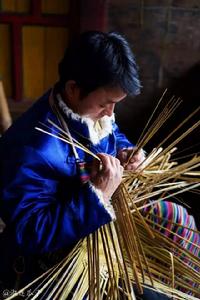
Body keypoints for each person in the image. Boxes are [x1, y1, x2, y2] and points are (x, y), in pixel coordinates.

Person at [0, 31, 149, 297]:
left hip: (98, 232)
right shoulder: (31, 149)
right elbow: (30, 233)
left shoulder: (83, 109)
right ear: (72, 89)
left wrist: (126, 151)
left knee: (177, 218)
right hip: (50, 264)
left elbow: (111, 133)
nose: (111, 113)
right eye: (106, 104)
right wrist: (98, 194)